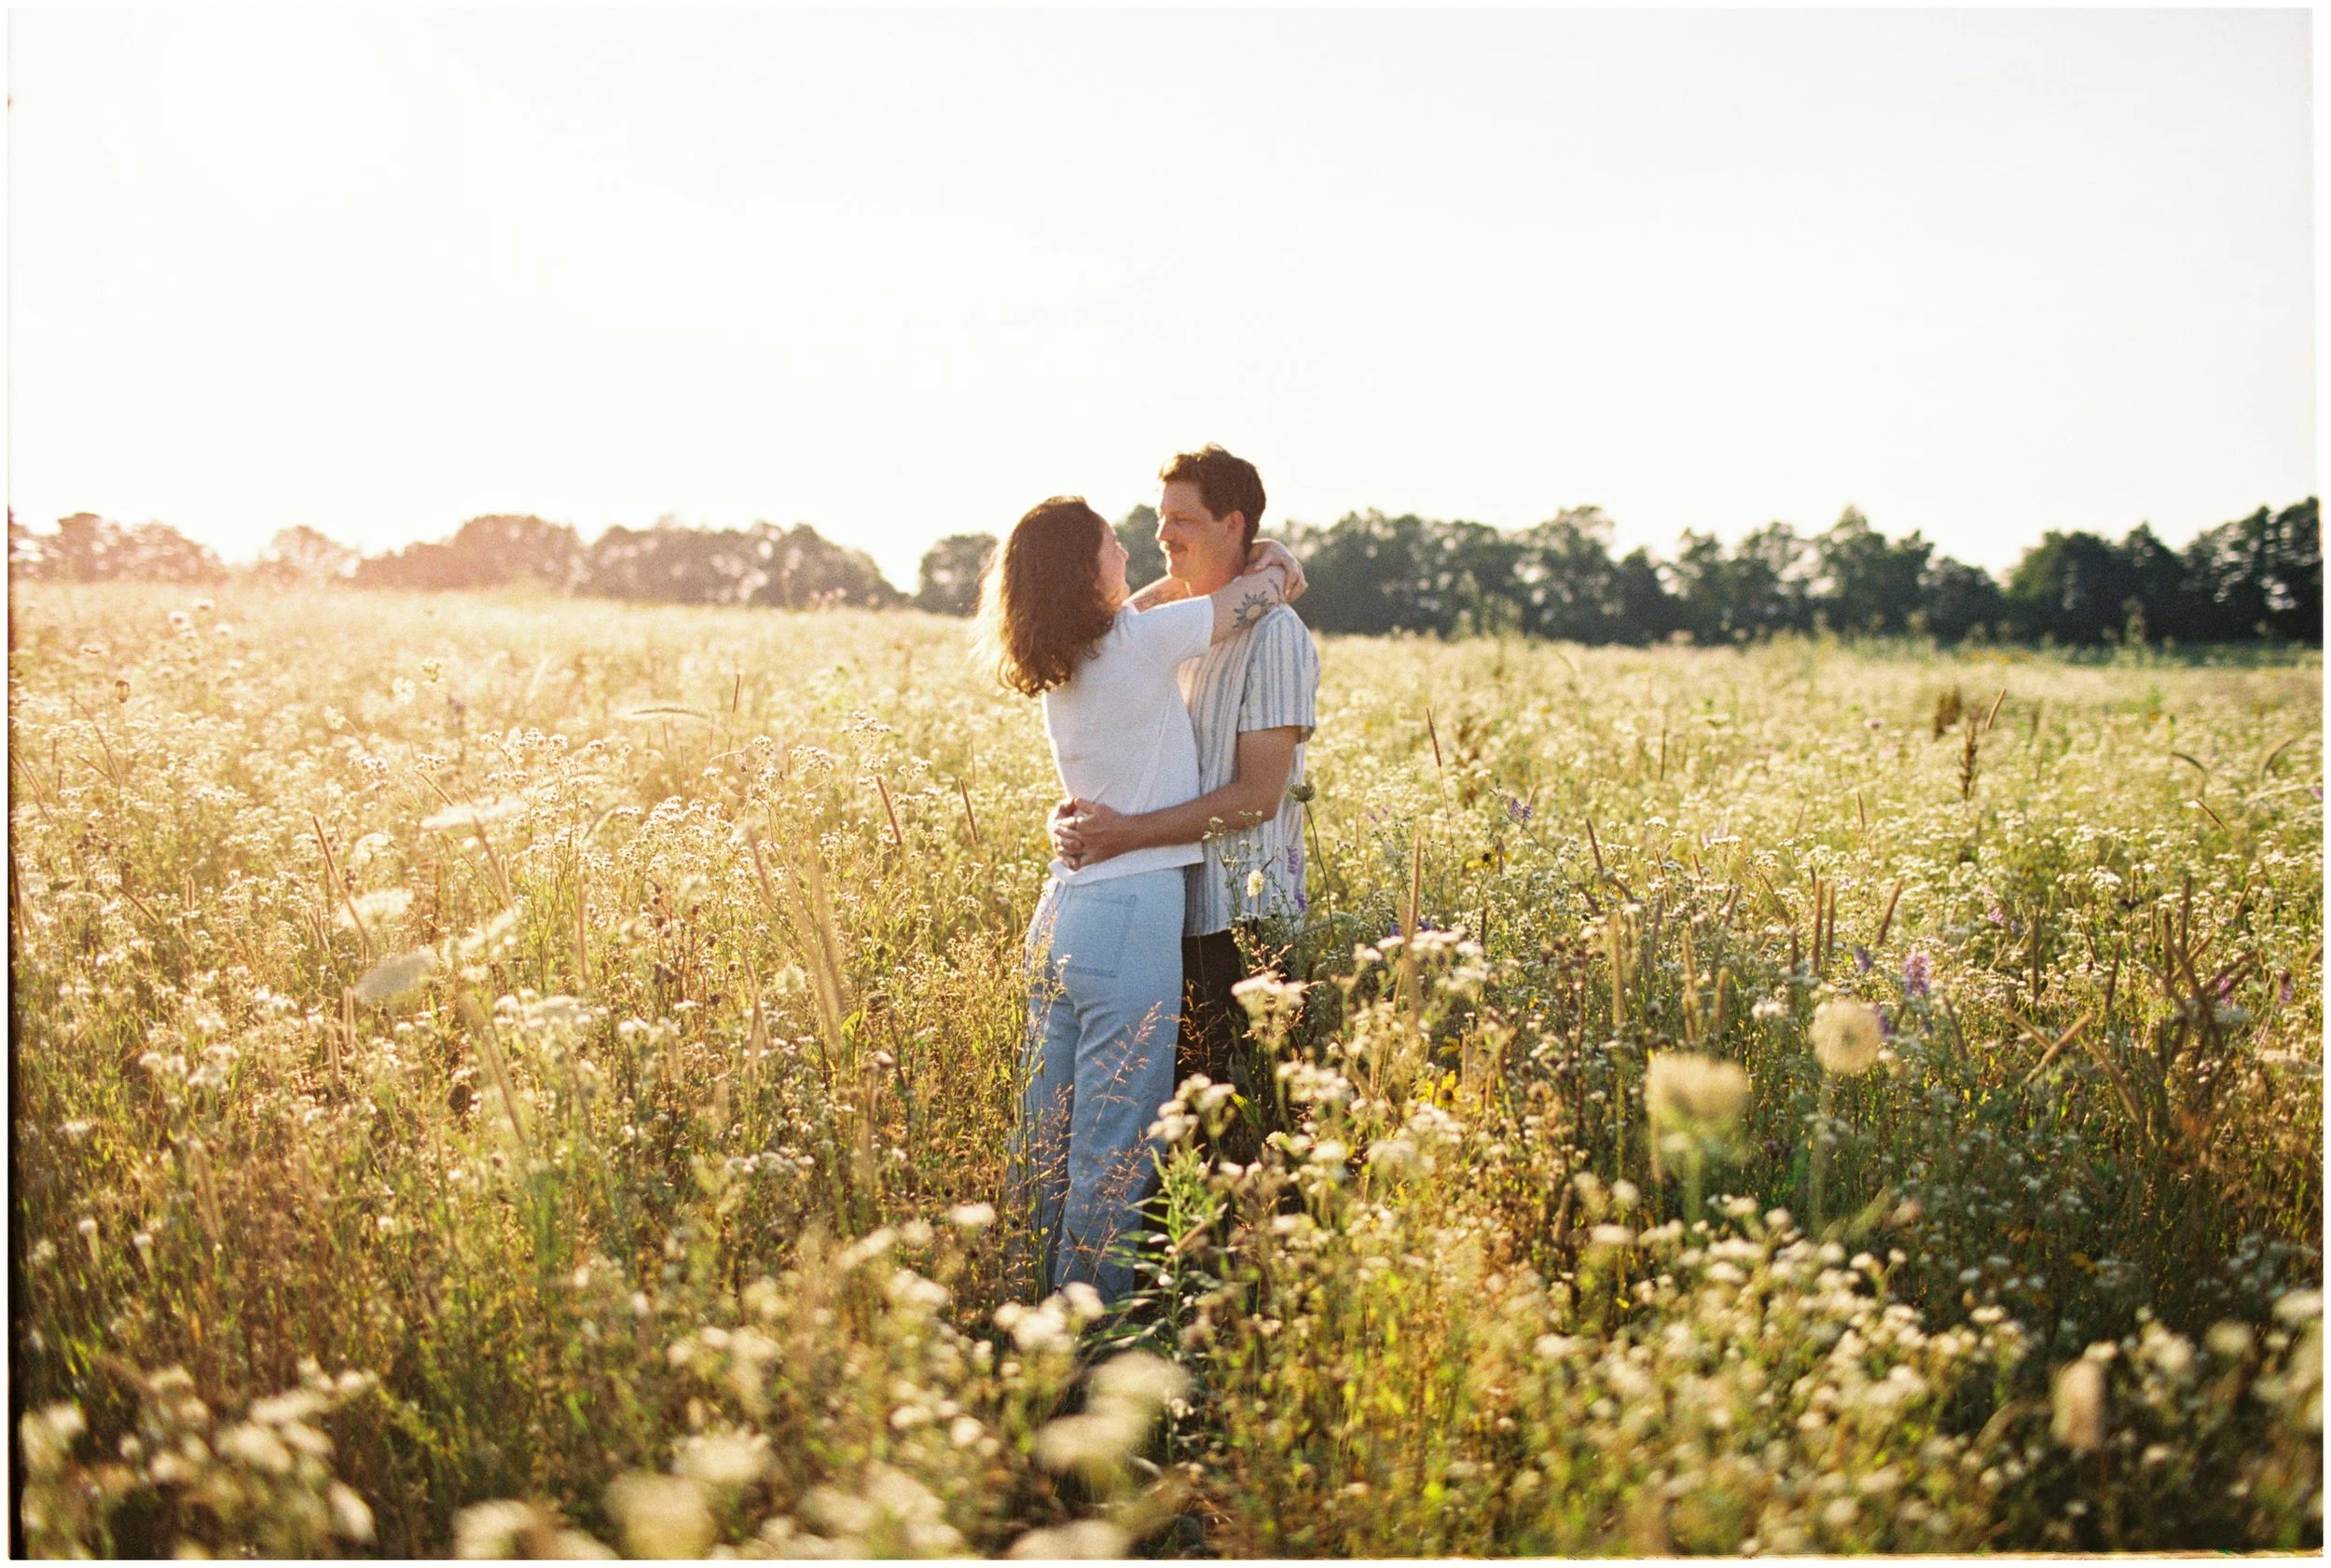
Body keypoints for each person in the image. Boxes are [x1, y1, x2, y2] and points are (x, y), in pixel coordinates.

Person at [977, 495, 1296, 1305]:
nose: (1130, 554)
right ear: (1085, 570)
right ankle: (1089, 1341)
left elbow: (1160, 597)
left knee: (1041, 1142)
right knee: (1114, 1152)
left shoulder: (1067, 658)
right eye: (1112, 545)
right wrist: (1281, 560)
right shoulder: (1142, 643)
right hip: (1130, 915)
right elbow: (1261, 592)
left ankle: (1020, 1316)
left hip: (1062, 914)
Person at [1050, 446, 1320, 1148]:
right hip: (1161, 914)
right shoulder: (1173, 629)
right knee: (1155, 1140)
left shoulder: (1275, 635)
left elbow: (1258, 797)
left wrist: (1123, 834)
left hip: (1235, 926)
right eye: (1160, 517)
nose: (1162, 535)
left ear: (1233, 524)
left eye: (1184, 520)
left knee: (1229, 1143)